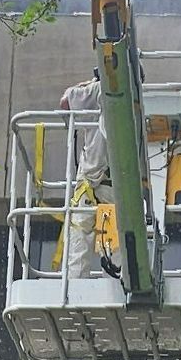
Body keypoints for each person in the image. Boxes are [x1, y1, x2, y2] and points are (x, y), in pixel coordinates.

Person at [58, 74, 109, 277]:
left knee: (80, 241)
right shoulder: (143, 98)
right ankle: (114, 291)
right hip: (119, 187)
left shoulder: (97, 89)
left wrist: (85, 84)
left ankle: (75, 294)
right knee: (114, 243)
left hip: (91, 181)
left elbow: (65, 102)